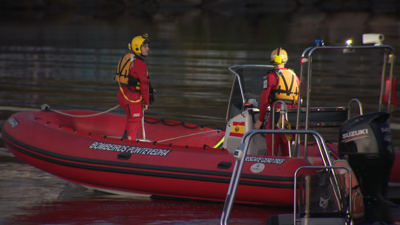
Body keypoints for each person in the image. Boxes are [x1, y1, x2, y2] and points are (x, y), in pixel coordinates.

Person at [254, 47, 300, 156]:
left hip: (277, 114)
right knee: (287, 148)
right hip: (292, 115)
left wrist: (260, 120)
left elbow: (264, 101)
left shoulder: (271, 76)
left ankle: (272, 167)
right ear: (285, 60)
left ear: (272, 60)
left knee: (272, 147)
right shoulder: (295, 77)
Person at [115, 33, 154, 140]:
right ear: (138, 47)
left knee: (129, 123)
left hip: (122, 97)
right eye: (145, 47)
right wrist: (146, 102)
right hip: (132, 100)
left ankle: (123, 140)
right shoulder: (140, 64)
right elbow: (144, 85)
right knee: (133, 130)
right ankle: (129, 150)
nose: (148, 49)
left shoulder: (126, 57)